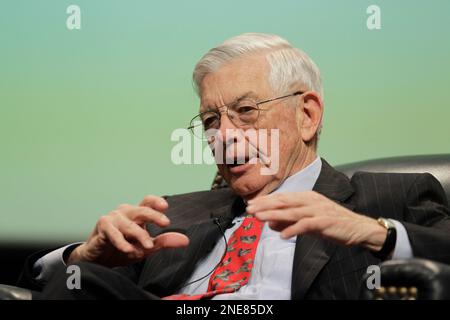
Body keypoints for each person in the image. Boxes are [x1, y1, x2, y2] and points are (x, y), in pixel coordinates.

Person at [19, 33, 450, 300]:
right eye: (210, 121)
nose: (223, 134)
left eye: (245, 110)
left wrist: (377, 232)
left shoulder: (391, 196)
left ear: (307, 115)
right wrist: (84, 257)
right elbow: (53, 288)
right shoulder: (171, 216)